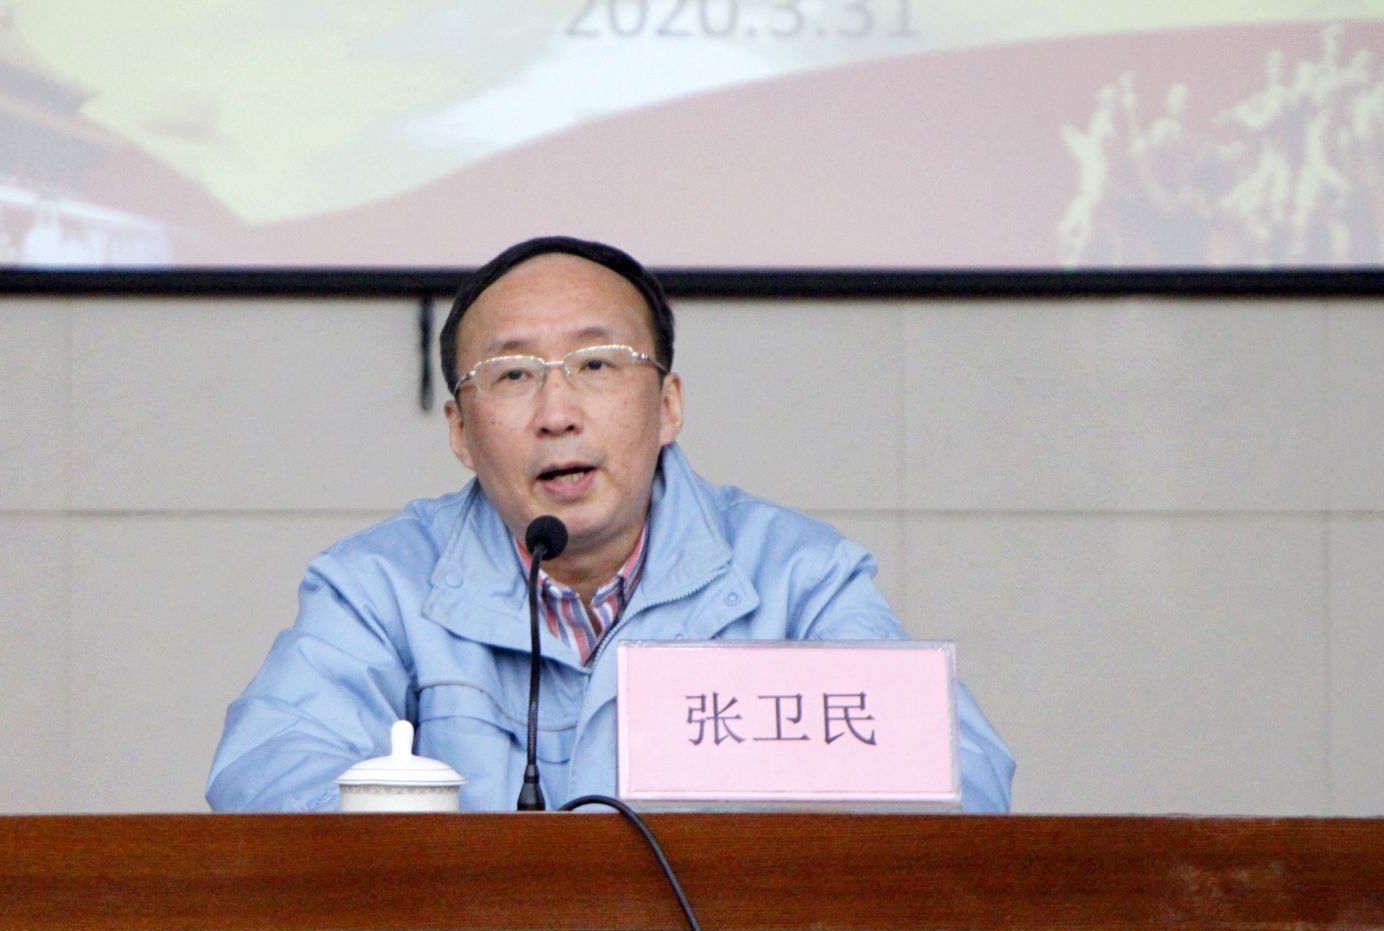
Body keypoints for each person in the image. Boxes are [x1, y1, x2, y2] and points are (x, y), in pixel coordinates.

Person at [207, 236, 1014, 813]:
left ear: (668, 406)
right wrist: (443, 863)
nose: (557, 412)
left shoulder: (796, 577)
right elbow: (265, 770)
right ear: (460, 431)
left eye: (597, 365)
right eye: (513, 374)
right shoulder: (378, 586)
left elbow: (962, 777)